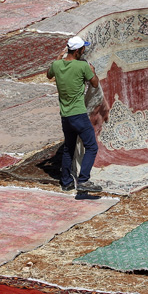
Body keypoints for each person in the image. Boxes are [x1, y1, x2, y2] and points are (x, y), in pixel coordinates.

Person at [47, 35, 102, 192]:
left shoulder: (57, 65)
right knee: (91, 146)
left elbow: (48, 74)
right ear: (78, 50)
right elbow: (95, 83)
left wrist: (57, 59)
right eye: (83, 48)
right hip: (78, 114)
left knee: (68, 148)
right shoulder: (82, 66)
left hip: (65, 116)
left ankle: (66, 183)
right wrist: (93, 71)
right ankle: (83, 180)